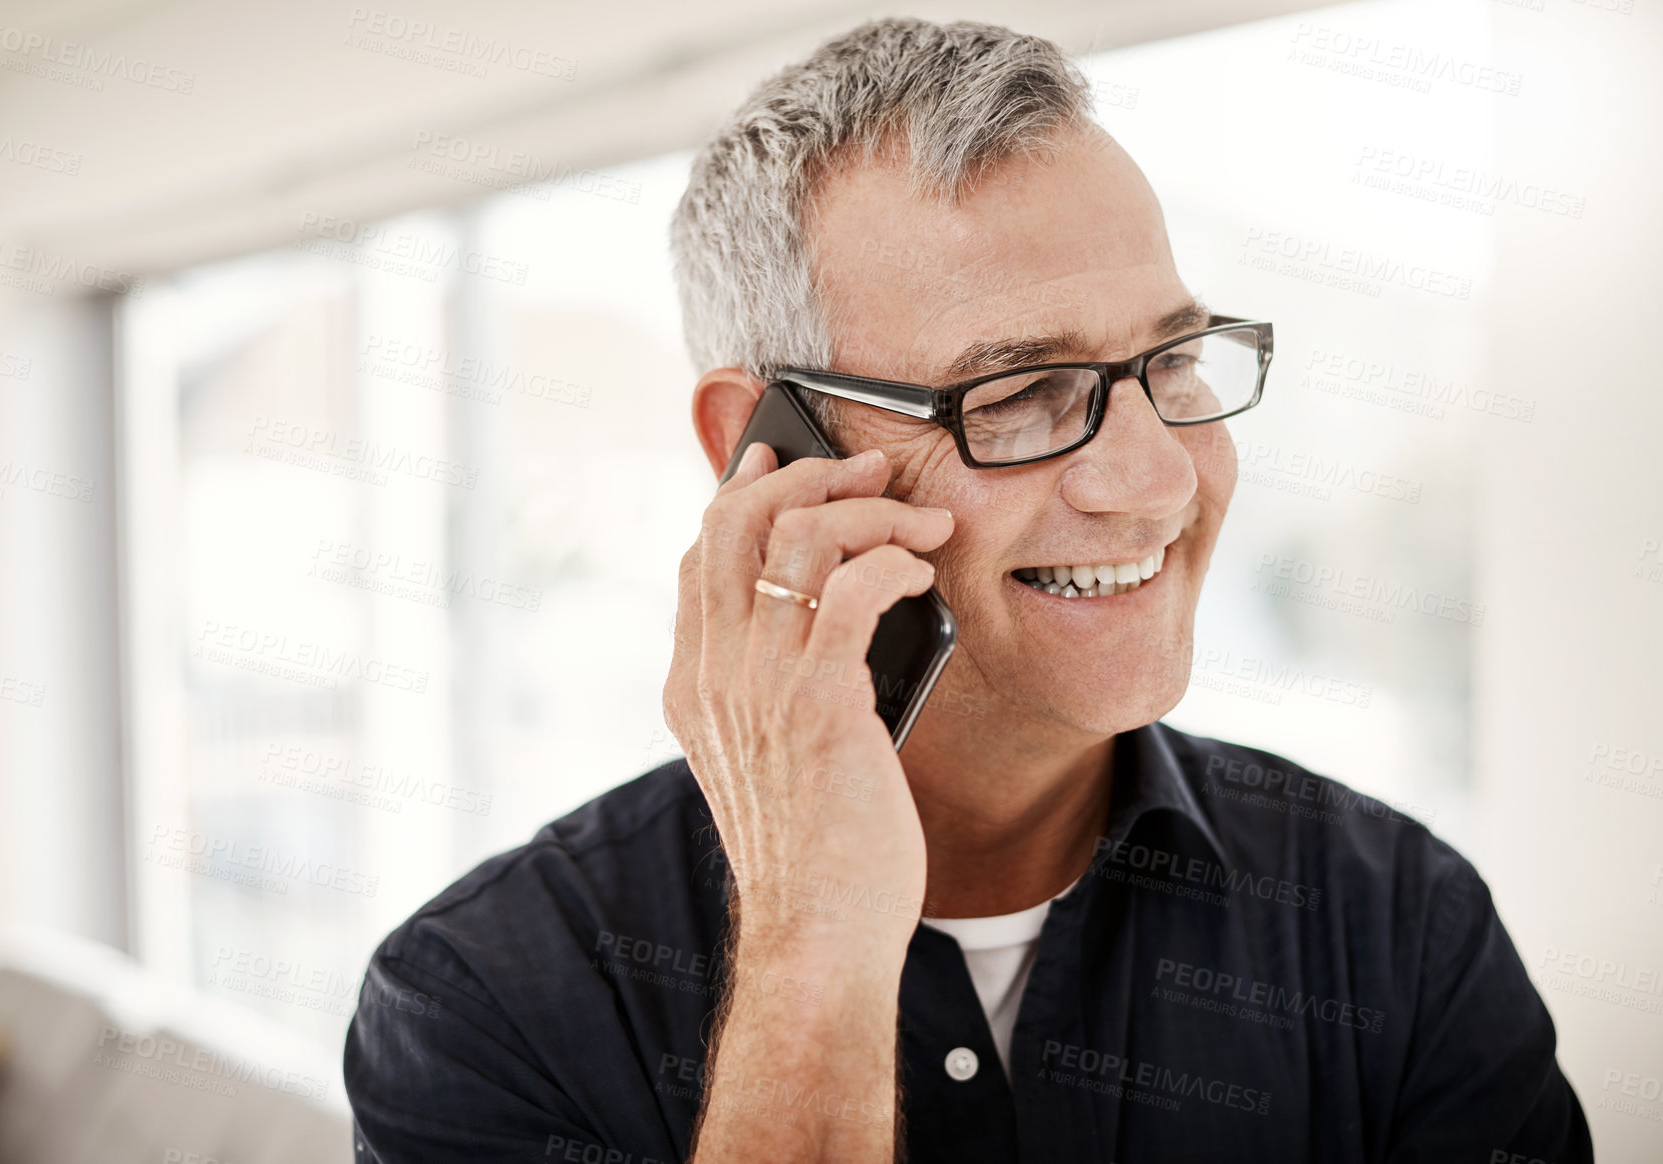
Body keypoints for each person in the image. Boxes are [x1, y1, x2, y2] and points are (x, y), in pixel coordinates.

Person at [343, 18, 1591, 1163]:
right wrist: (813, 933)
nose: (1155, 478)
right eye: (1018, 394)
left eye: (1175, 360)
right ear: (764, 451)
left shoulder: (1394, 928)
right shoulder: (485, 1004)